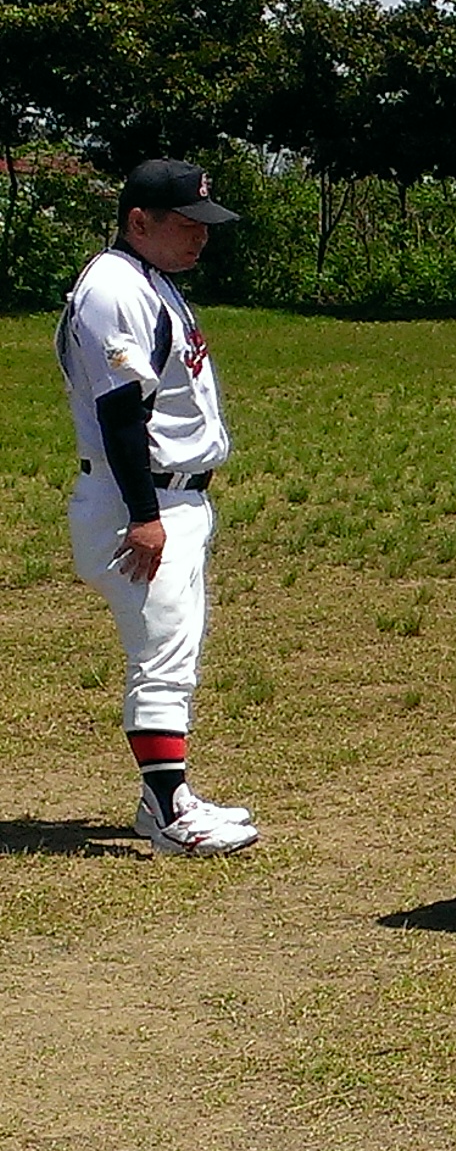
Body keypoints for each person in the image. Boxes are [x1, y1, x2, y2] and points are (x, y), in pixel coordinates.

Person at [55, 158, 255, 855]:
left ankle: (160, 798)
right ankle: (172, 816)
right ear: (139, 221)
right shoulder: (114, 289)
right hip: (139, 501)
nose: (201, 236)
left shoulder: (149, 281)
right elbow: (120, 414)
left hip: (168, 498)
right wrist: (145, 517)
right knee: (162, 658)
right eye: (186, 224)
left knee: (174, 650)